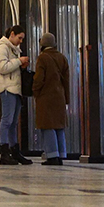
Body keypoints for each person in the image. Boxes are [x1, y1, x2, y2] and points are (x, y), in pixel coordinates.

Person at [0, 25, 32, 165]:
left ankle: (14, 151)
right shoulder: (3, 47)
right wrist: (18, 61)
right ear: (12, 34)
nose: (21, 41)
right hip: (6, 88)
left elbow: (10, 67)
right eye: (19, 38)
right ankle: (4, 152)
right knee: (7, 120)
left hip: (14, 88)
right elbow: (2, 67)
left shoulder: (13, 49)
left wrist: (20, 66)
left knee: (14, 122)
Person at [32, 32, 70, 166]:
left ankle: (52, 156)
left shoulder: (42, 58)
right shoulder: (62, 58)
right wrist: (66, 98)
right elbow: (66, 81)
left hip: (46, 97)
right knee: (59, 126)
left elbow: (38, 79)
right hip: (59, 96)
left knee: (47, 126)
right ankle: (61, 154)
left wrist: (35, 92)